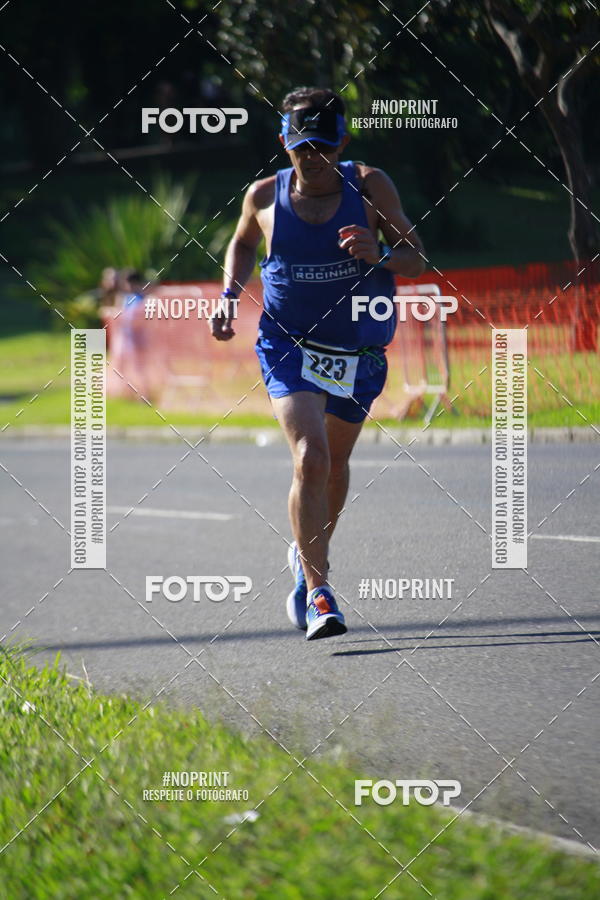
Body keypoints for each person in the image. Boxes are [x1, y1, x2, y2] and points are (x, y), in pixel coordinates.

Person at [211, 86, 425, 640]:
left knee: (333, 464)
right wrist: (229, 296)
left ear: (342, 143)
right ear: (285, 143)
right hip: (289, 345)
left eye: (324, 147)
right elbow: (240, 245)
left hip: (357, 350)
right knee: (311, 456)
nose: (313, 158)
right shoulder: (262, 196)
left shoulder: (370, 185)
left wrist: (379, 254)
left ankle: (308, 555)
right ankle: (319, 589)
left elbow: (417, 258)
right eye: (302, 147)